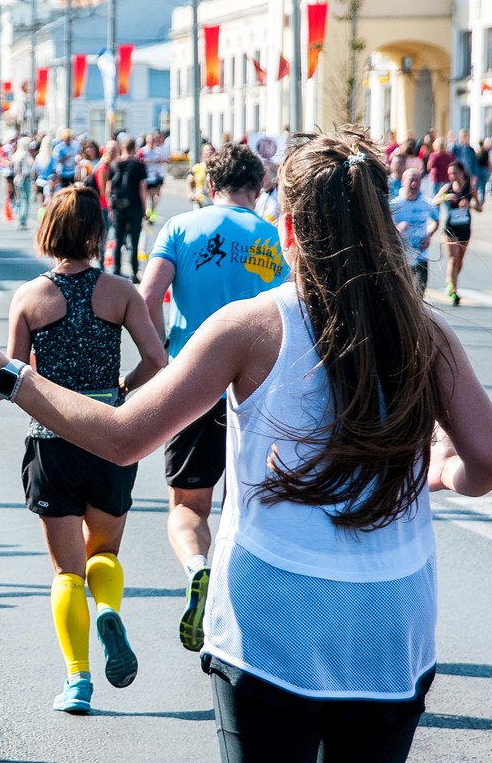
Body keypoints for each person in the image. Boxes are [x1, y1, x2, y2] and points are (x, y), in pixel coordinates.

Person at [0, 127, 492, 763]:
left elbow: (121, 437)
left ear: (291, 233)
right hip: (394, 621)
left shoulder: (250, 326)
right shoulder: (426, 331)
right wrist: (439, 470)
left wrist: (7, 376)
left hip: (273, 618)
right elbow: (490, 464)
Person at [6, 185, 166, 714]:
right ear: (98, 234)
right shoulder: (121, 292)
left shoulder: (29, 298)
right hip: (111, 437)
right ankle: (108, 612)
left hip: (52, 442)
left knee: (66, 572)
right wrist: (121, 385)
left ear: (49, 230)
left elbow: (13, 377)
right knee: (104, 554)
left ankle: (77, 682)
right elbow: (156, 360)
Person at [138, 142, 287, 652]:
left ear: (208, 186)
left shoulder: (180, 228)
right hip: (257, 386)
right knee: (247, 504)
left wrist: (159, 358)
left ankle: (197, 568)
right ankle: (243, 608)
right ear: (258, 187)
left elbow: (146, 296)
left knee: (187, 505)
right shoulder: (271, 237)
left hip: (192, 379)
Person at [434, 160, 481, 307]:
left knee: (460, 260)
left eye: (454, 173)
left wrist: (470, 205)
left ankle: (452, 281)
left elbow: (480, 208)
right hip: (450, 228)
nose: (452, 176)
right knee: (453, 258)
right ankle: (453, 289)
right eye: (449, 174)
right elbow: (433, 201)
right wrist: (444, 198)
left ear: (461, 173)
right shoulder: (447, 188)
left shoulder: (470, 188)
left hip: (465, 228)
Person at [390, 168, 439, 296]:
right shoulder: (395, 204)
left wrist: (429, 235)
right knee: (403, 293)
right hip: (402, 254)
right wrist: (398, 228)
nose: (414, 184)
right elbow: (385, 226)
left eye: (417, 181)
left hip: (420, 254)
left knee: (420, 292)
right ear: (403, 182)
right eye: (411, 180)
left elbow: (436, 221)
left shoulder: (426, 203)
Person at [106, 138, 149, 282]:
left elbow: (108, 188)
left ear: (122, 148)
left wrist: (110, 207)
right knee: (135, 240)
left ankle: (116, 269)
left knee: (118, 239)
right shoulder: (138, 165)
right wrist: (144, 208)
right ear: (134, 148)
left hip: (118, 206)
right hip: (135, 205)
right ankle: (135, 271)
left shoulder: (113, 165)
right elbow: (142, 188)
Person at [141, 131, 170, 223]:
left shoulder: (159, 150)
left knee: (156, 196)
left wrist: (161, 161)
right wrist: (144, 161)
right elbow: (137, 160)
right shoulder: (143, 151)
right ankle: (148, 212)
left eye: (153, 140)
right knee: (149, 195)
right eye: (150, 140)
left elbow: (167, 160)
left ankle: (152, 211)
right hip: (147, 176)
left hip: (158, 175)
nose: (152, 142)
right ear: (146, 140)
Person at [187, 143, 215, 209]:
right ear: (202, 153)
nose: (209, 152)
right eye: (206, 150)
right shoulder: (197, 168)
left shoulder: (218, 167)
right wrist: (190, 193)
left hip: (213, 201)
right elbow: (189, 181)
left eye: (211, 150)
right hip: (199, 201)